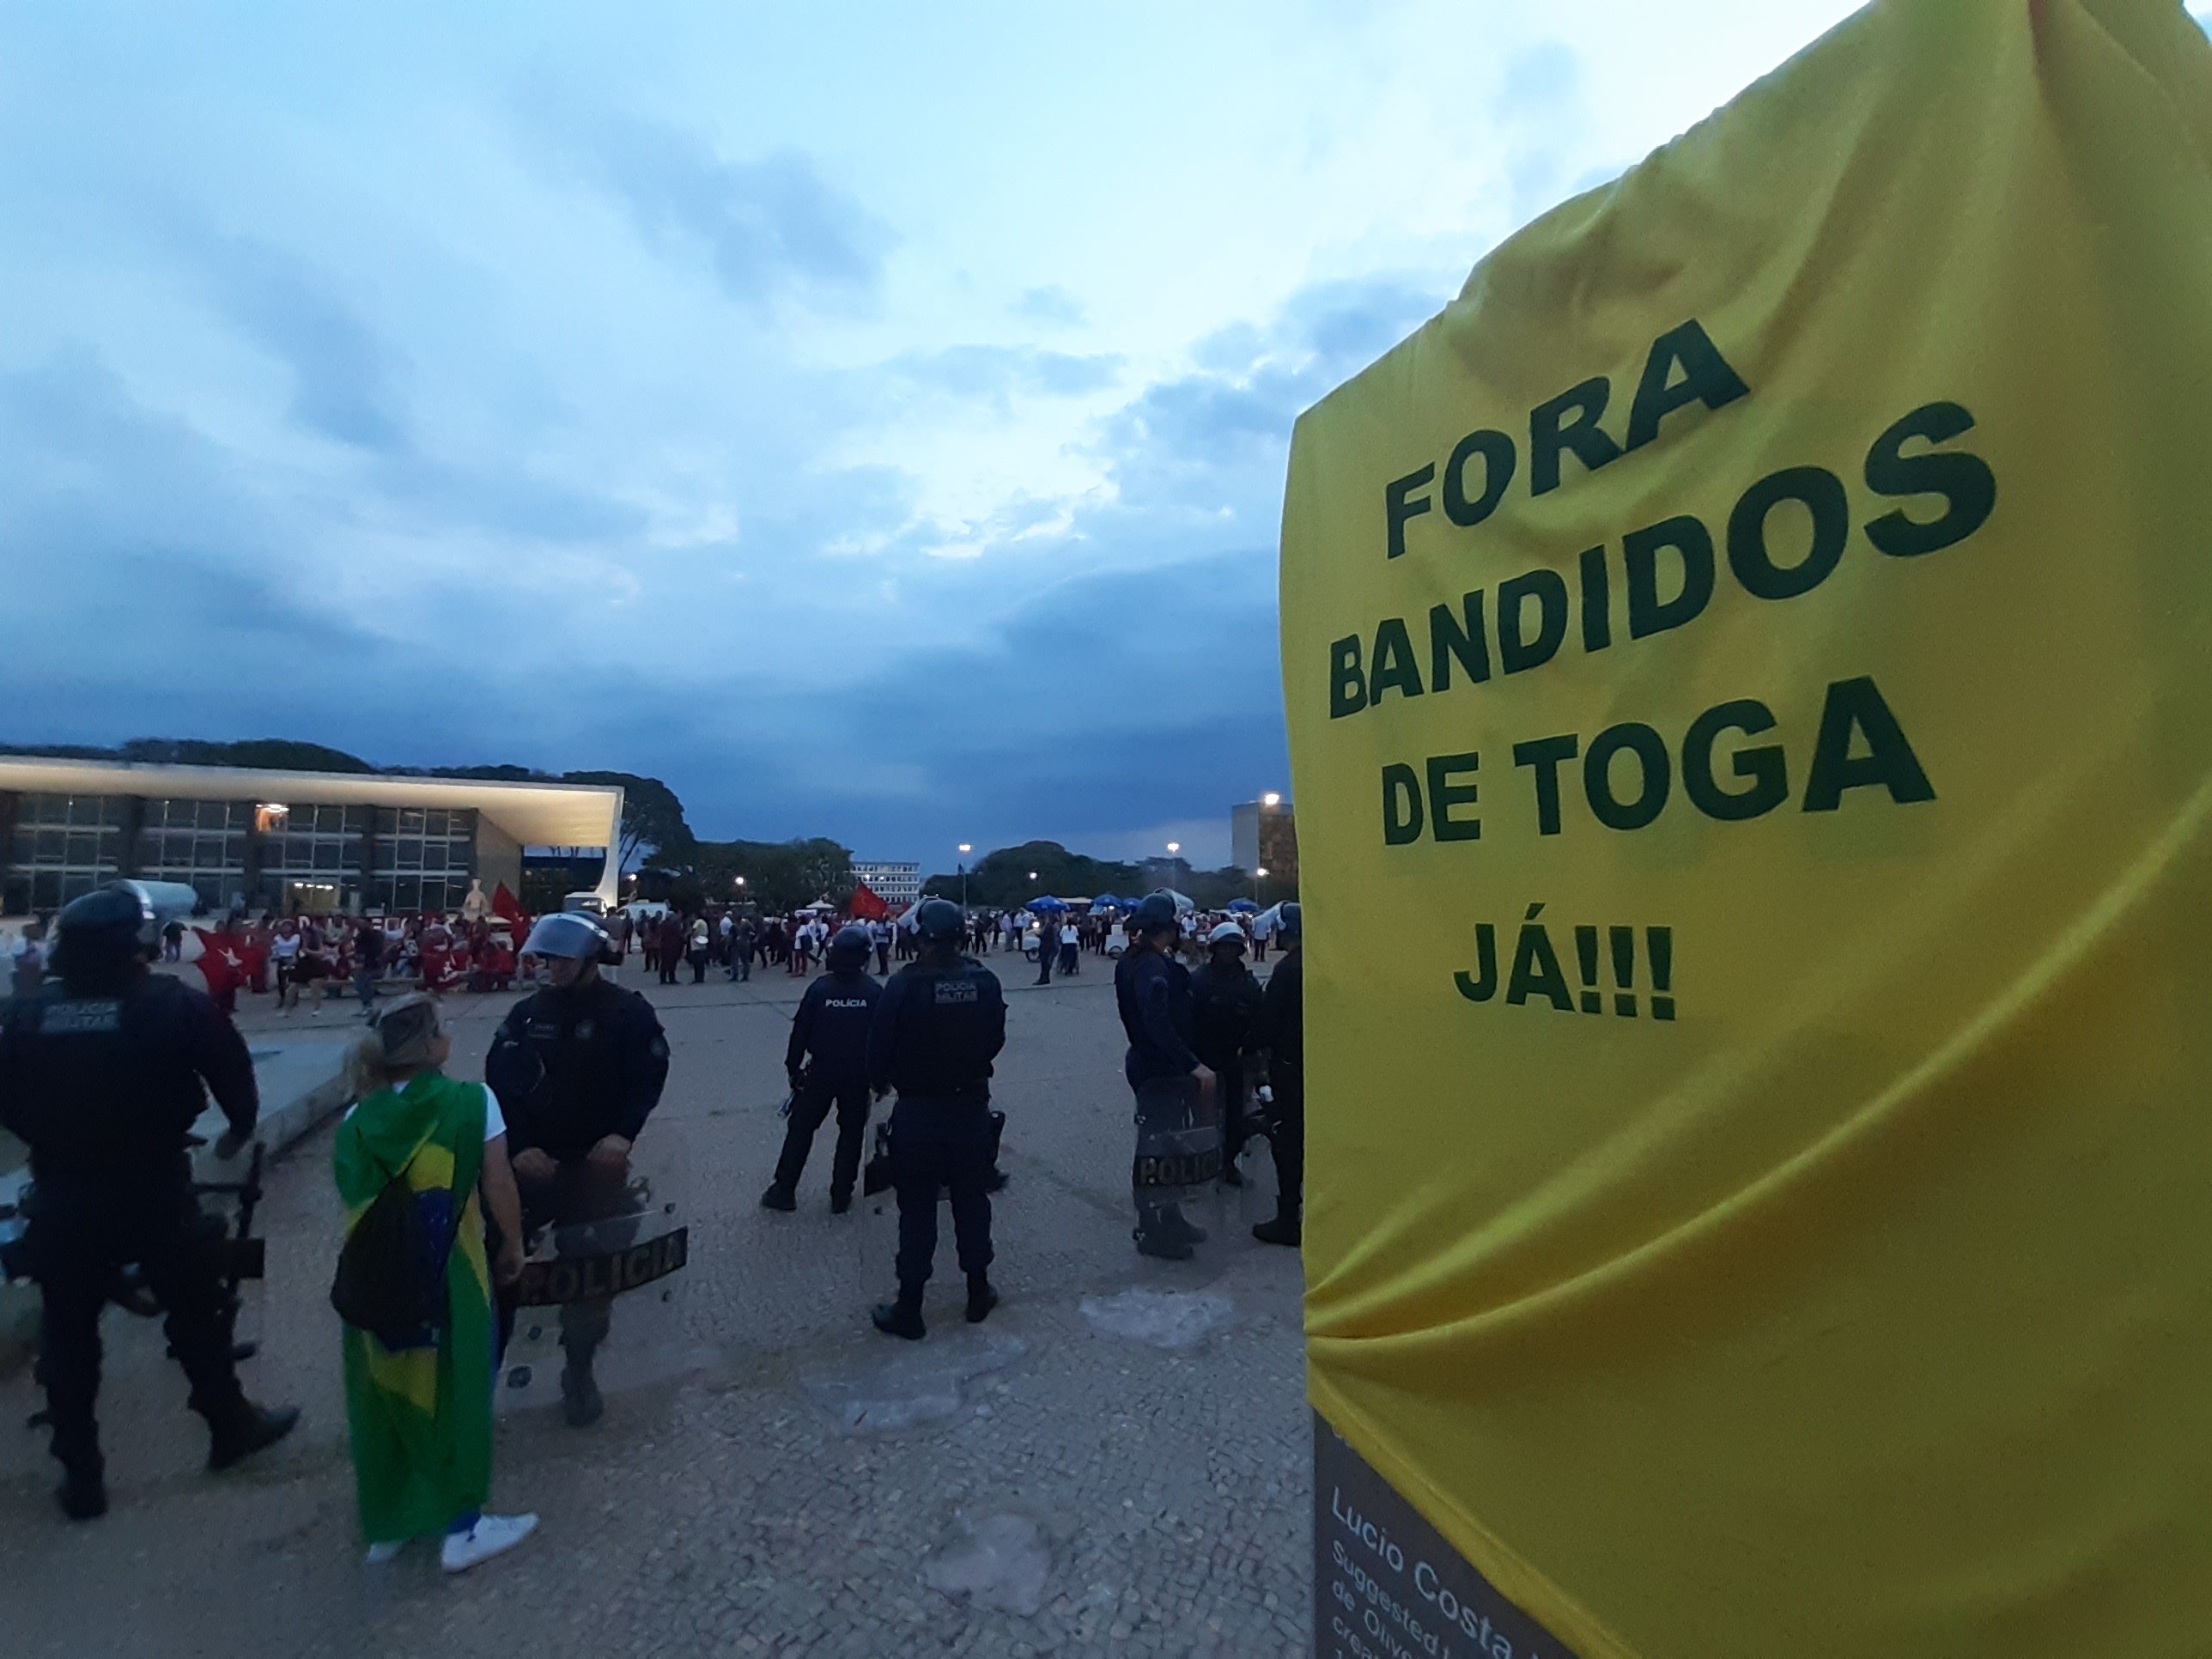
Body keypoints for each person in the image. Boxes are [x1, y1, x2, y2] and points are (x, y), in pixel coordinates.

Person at [0, 884, 299, 1520]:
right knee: (194, 1314)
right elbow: (232, 1075)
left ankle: (82, 1476)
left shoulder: (25, 1015)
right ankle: (228, 1426)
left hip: (62, 1191)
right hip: (152, 1186)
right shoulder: (168, 1006)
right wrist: (241, 1128)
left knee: (68, 1334)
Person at [335, 994, 538, 1572]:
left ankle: (389, 1523)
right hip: (450, 1273)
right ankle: (463, 1528)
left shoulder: (357, 1120)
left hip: (371, 1278)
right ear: (429, 1048)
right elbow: (498, 1184)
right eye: (440, 1030)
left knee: (385, 1394)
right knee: (458, 1388)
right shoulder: (472, 1103)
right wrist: (514, 1243)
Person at [485, 913, 670, 1426]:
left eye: (563, 959)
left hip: (595, 1169)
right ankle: (484, 1373)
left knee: (592, 1274)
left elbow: (649, 1072)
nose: (552, 968)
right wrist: (518, 1147)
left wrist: (624, 1134)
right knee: (501, 1262)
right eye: (546, 958)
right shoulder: (525, 1015)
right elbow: (499, 1083)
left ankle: (579, 1370)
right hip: (530, 1166)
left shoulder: (627, 1012)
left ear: (591, 960)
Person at [867, 898, 1005, 1340]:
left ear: (921, 938)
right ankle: (977, 1292)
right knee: (972, 1201)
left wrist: (884, 1081)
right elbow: (995, 1039)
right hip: (969, 1108)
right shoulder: (985, 981)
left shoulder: (904, 985)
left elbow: (879, 1048)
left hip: (919, 1110)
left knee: (918, 1209)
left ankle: (911, 1307)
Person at [1115, 892, 1215, 1261]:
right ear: (1169, 928)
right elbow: (1157, 1022)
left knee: (1169, 1148)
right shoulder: (1152, 969)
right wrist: (1192, 1065)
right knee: (1155, 1150)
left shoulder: (1137, 961)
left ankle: (1170, 1216)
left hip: (1153, 1064)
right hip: (1159, 1069)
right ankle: (1153, 1228)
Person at [762, 926, 883, 1214]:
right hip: (858, 1074)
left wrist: (793, 1069)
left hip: (821, 1072)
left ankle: (784, 1189)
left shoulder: (820, 989)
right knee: (852, 1134)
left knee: (801, 1130)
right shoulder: (874, 992)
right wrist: (882, 1077)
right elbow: (884, 1038)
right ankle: (841, 1194)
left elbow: (800, 1032)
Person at [1190, 921, 1265, 1188]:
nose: (1228, 953)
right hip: (1204, 1057)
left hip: (1236, 1058)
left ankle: (1228, 1162)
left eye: (1234, 948)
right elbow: (1188, 1019)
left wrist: (1253, 1049)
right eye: (1224, 947)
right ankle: (1201, 1161)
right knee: (1203, 1115)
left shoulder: (1248, 983)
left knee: (1236, 1116)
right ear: (1214, 948)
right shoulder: (1199, 980)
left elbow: (1259, 1018)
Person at [1252, 902, 1304, 1246]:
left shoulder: (1287, 970)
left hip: (1289, 1067)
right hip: (1321, 1065)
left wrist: (1250, 1045)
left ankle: (1288, 1219)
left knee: (1286, 1142)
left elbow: (1268, 1023)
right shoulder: (1323, 961)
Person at [353, 919, 386, 1014]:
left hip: (375, 967)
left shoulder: (376, 936)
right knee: (360, 981)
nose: (360, 925)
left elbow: (378, 953)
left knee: (364, 981)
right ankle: (367, 1005)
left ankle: (367, 1005)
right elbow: (358, 953)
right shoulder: (360, 937)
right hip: (365, 967)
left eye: (362, 923)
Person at [1033, 912, 1060, 986]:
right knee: (1045, 964)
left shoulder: (1048, 926)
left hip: (1047, 947)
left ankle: (1044, 978)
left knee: (1046, 964)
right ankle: (1045, 978)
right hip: (1046, 947)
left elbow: (1044, 936)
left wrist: (1038, 934)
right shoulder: (1047, 926)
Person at [687, 915, 712, 984]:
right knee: (700, 964)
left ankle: (698, 978)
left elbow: (694, 929)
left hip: (697, 947)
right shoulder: (704, 923)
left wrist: (691, 934)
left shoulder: (698, 922)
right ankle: (700, 977)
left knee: (697, 964)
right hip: (702, 945)